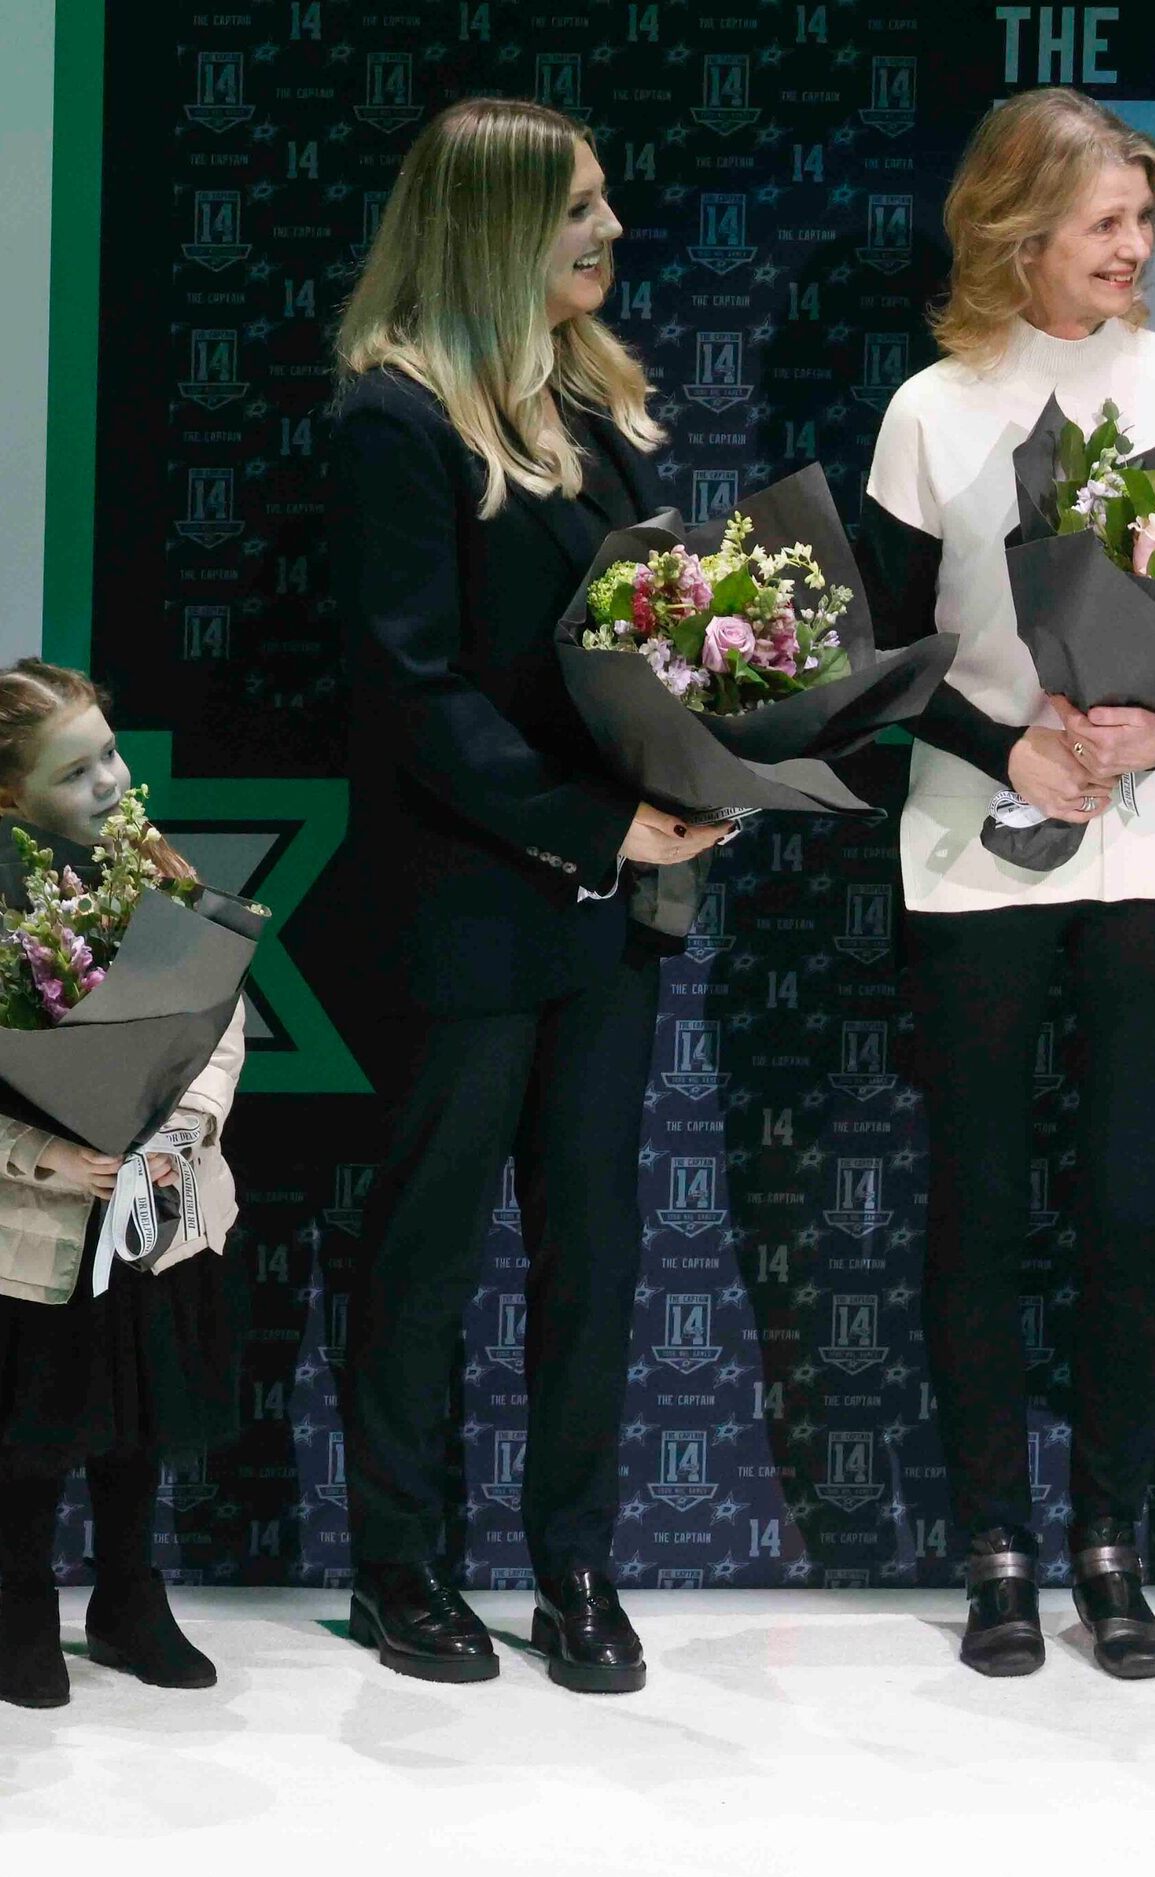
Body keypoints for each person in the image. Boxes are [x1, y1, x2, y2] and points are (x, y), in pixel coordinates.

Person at [323, 97, 727, 1694]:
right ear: (493, 227)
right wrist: (601, 822)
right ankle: (398, 1565)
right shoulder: (394, 419)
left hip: (608, 916)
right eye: (578, 206)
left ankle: (575, 1565)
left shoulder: (599, 408)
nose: (609, 230)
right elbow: (414, 697)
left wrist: (714, 761)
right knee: (429, 1248)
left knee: (595, 1246)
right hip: (468, 905)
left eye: (606, 198)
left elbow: (658, 646)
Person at [861, 87, 1155, 1679]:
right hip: (977, 849)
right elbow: (880, 657)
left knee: (1132, 1205)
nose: (1135, 249)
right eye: (1105, 224)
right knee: (984, 1206)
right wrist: (1008, 749)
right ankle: (997, 1544)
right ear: (1016, 231)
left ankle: (1112, 1540)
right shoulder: (934, 407)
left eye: (1142, 221)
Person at [0, 660, 247, 1708]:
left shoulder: (159, 876)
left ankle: (130, 1599)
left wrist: (180, 1129)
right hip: (26, 1216)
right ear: (7, 800)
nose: (110, 780)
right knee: (36, 1422)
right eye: (78, 769)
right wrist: (51, 1157)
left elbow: (220, 1022)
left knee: (136, 1409)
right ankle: (25, 1609)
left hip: (149, 1202)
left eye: (110, 753)